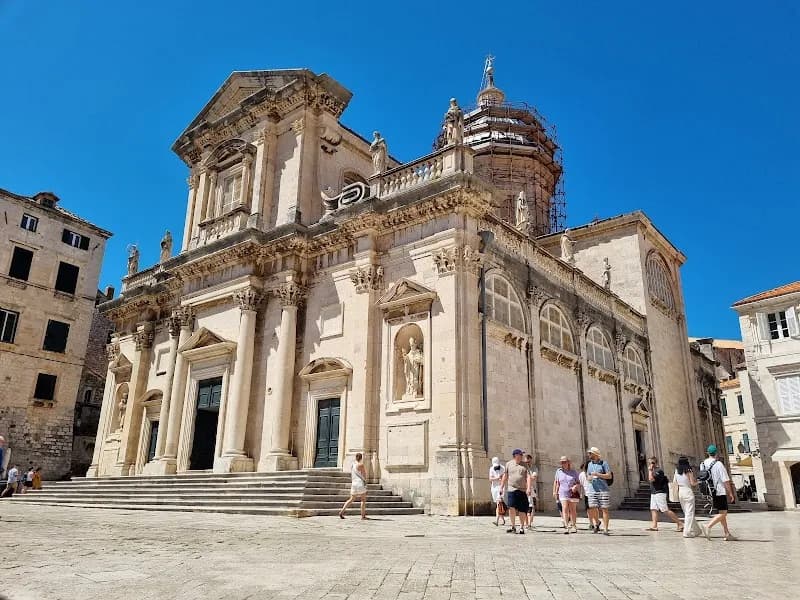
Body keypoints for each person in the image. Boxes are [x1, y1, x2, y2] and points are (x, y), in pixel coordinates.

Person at [702, 445, 737, 541]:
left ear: (707, 453)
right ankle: (708, 526)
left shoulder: (703, 464)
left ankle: (727, 533)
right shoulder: (718, 464)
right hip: (719, 490)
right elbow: (725, 480)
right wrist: (730, 493)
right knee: (724, 513)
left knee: (721, 512)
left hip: (710, 490)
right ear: (716, 453)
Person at [499, 449, 532, 535]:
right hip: (511, 489)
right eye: (520, 455)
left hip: (522, 489)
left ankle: (521, 527)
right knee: (511, 507)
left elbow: (528, 477)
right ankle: (513, 526)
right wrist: (501, 487)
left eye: (522, 455)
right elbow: (505, 476)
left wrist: (528, 488)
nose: (521, 456)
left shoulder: (525, 465)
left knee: (522, 509)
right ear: (515, 455)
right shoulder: (508, 464)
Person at [646, 456, 683, 532]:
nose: (649, 464)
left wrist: (649, 471)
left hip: (659, 493)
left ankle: (680, 523)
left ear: (654, 463)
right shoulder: (653, 471)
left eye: (651, 463)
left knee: (665, 510)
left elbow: (651, 479)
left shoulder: (658, 471)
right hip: (654, 493)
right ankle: (654, 526)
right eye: (649, 462)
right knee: (653, 509)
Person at [585, 447, 613, 535]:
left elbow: (609, 476)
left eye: (590, 453)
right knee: (592, 508)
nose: (589, 455)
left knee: (604, 509)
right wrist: (589, 478)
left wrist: (598, 474)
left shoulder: (604, 463)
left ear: (595, 454)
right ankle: (597, 523)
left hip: (603, 489)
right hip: (592, 489)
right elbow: (588, 476)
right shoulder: (589, 464)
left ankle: (605, 529)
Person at [674, 457, 701, 538]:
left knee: (687, 512)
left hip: (680, 492)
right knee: (689, 513)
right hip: (687, 491)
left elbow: (675, 482)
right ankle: (687, 532)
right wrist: (699, 481)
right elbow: (692, 483)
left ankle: (697, 530)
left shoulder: (676, 471)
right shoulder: (689, 471)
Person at [553, 456, 580, 534]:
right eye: (562, 462)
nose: (563, 463)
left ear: (568, 462)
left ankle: (574, 525)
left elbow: (578, 482)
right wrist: (555, 492)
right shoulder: (558, 471)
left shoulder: (573, 472)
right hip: (562, 493)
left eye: (564, 462)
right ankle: (566, 526)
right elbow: (557, 482)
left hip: (572, 493)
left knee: (573, 510)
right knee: (564, 509)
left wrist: (576, 486)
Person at [338, 453, 368, 520]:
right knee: (363, 500)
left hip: (354, 483)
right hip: (360, 483)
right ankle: (363, 516)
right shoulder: (361, 465)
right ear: (361, 458)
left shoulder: (353, 465)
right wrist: (365, 482)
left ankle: (341, 512)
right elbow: (364, 475)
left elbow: (352, 474)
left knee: (351, 499)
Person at [579, 463, 597, 531]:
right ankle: (591, 523)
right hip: (586, 494)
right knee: (589, 510)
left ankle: (596, 522)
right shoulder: (581, 475)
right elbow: (581, 485)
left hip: (593, 493)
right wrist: (581, 493)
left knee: (594, 509)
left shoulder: (592, 473)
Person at [489, 457, 506, 526]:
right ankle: (503, 520)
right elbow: (490, 479)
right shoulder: (491, 468)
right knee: (498, 504)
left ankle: (497, 520)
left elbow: (505, 477)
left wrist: (501, 479)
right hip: (494, 488)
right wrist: (497, 478)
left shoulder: (503, 468)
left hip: (501, 487)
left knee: (499, 503)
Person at [524, 454, 538, 530]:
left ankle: (530, 522)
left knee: (531, 506)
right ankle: (527, 523)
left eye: (528, 461)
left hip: (532, 488)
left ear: (530, 460)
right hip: (524, 488)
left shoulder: (534, 468)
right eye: (526, 461)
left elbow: (533, 477)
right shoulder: (523, 468)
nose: (527, 463)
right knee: (526, 505)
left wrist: (527, 477)